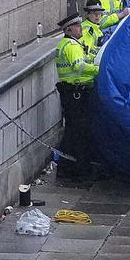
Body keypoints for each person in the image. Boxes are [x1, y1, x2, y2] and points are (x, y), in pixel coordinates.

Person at [54, 13, 100, 181]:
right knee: (80, 132)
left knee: (73, 132)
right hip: (76, 95)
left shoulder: (66, 44)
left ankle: (69, 167)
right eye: (77, 26)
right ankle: (78, 169)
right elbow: (79, 67)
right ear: (69, 30)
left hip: (71, 93)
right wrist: (99, 69)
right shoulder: (71, 46)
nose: (81, 29)